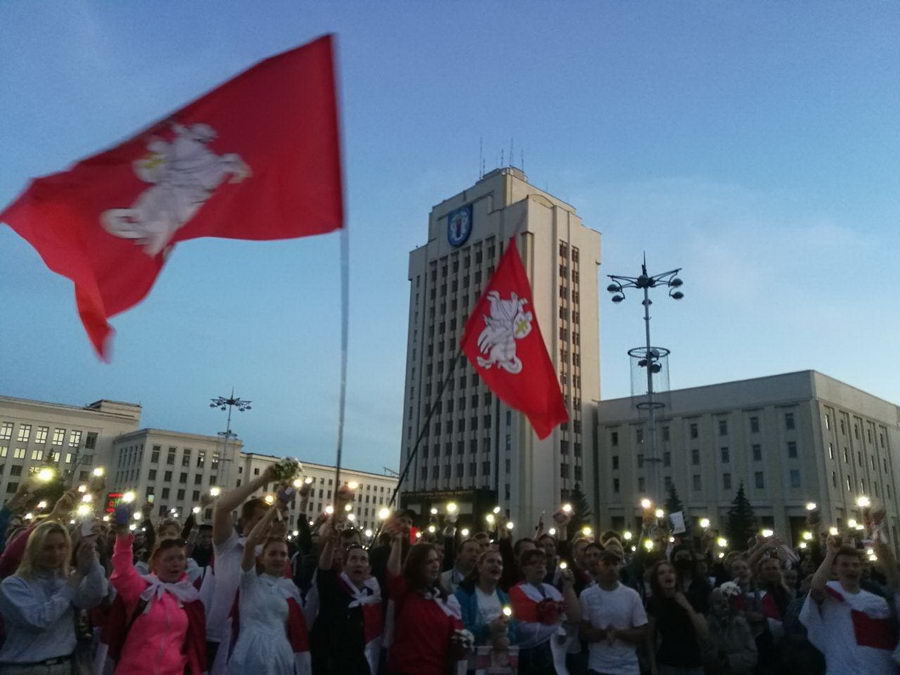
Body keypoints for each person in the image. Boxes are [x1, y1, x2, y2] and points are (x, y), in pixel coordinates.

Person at [0, 520, 106, 673]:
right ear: (34, 550)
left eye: (61, 547)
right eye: (48, 548)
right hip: (25, 667)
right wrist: (78, 576)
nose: (56, 553)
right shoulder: (13, 585)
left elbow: (94, 597)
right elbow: (40, 620)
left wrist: (90, 554)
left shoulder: (66, 579)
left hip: (63, 665)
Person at [106, 516, 206, 674]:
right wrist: (123, 537)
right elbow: (123, 569)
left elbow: (193, 646)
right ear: (155, 562)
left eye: (180, 558)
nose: (176, 563)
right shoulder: (142, 589)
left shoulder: (189, 597)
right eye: (169, 559)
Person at [206, 465, 277, 673]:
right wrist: (261, 480)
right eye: (260, 519)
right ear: (245, 521)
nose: (267, 526)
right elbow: (222, 507)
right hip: (218, 635)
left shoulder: (273, 558)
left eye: (270, 520)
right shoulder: (229, 546)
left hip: (254, 640)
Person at [228, 508, 309, 674]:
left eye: (282, 554)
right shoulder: (250, 583)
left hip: (280, 654)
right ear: (262, 559)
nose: (278, 558)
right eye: (272, 554)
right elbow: (250, 543)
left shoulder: (290, 589)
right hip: (250, 654)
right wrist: (273, 510)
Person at [800, 535, 897, 674]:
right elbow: (816, 588)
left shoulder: (878, 601)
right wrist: (831, 554)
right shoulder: (830, 593)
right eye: (845, 565)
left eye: (855, 565)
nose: (851, 569)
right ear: (834, 569)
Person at [386, 531, 465, 675]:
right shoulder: (405, 593)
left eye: (436, 561)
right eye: (429, 562)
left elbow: (457, 636)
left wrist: (464, 641)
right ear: (416, 565)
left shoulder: (447, 601)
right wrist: (398, 542)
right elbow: (393, 574)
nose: (435, 565)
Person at [311, 519, 383, 675]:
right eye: (353, 559)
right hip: (332, 665)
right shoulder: (334, 589)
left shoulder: (373, 597)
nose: (358, 563)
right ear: (344, 565)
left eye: (363, 559)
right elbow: (324, 570)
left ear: (369, 568)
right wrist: (330, 543)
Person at [510, 548, 580, 675]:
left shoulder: (551, 590)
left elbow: (574, 618)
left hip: (558, 656)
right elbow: (522, 628)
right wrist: (556, 627)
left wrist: (568, 587)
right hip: (533, 659)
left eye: (542, 563)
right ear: (524, 568)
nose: (539, 566)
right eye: (534, 563)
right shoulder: (516, 592)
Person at [579, 549, 647, 675]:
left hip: (628, 668)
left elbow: (642, 632)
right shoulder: (586, 595)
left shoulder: (632, 595)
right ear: (598, 567)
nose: (611, 568)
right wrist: (604, 633)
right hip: (598, 667)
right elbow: (583, 632)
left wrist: (619, 633)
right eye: (606, 564)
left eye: (615, 564)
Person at [646, 560, 707, 675]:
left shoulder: (691, 598)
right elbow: (650, 637)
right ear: (656, 579)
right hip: (668, 663)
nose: (667, 575)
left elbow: (704, 632)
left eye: (670, 572)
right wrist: (653, 666)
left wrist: (688, 607)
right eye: (662, 573)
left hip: (693, 662)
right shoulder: (654, 603)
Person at [455, 549, 517, 649]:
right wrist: (489, 628)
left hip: (500, 660)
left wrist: (508, 639)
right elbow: (461, 631)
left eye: (499, 563)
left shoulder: (504, 598)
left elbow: (514, 629)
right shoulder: (464, 595)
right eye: (491, 561)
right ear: (479, 567)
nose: (496, 565)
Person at [705, 587, 758, 675]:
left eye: (726, 602)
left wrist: (729, 660)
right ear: (711, 606)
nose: (723, 605)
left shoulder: (740, 624)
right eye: (718, 602)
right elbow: (704, 655)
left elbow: (752, 656)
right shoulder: (707, 626)